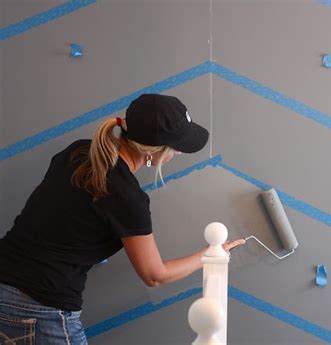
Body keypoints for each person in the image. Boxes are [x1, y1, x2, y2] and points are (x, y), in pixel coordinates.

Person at [0, 94, 245, 345]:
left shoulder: (79, 151)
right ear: (155, 152)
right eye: (176, 146)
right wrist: (211, 254)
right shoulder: (127, 196)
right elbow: (154, 275)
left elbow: (67, 218)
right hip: (39, 309)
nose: (179, 151)